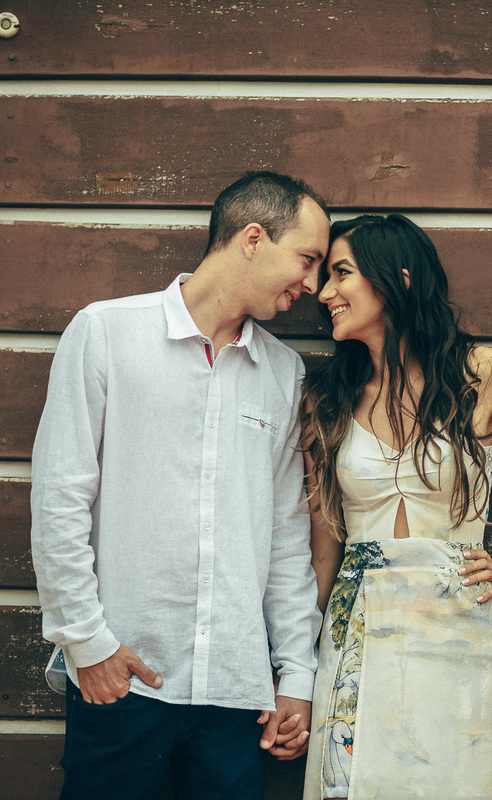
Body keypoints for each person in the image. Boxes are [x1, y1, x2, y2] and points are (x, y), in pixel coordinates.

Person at [30, 171, 330, 799]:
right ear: (253, 238)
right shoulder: (107, 333)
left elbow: (284, 537)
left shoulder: (284, 371)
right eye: (307, 259)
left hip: (235, 693)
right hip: (123, 677)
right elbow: (60, 498)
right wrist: (88, 643)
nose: (314, 283)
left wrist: (294, 675)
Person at [300, 214, 492, 799]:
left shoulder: (482, 374)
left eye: (341, 273)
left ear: (397, 278)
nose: (325, 293)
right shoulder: (327, 401)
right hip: (358, 640)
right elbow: (326, 556)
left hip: (460, 639)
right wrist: (294, 666)